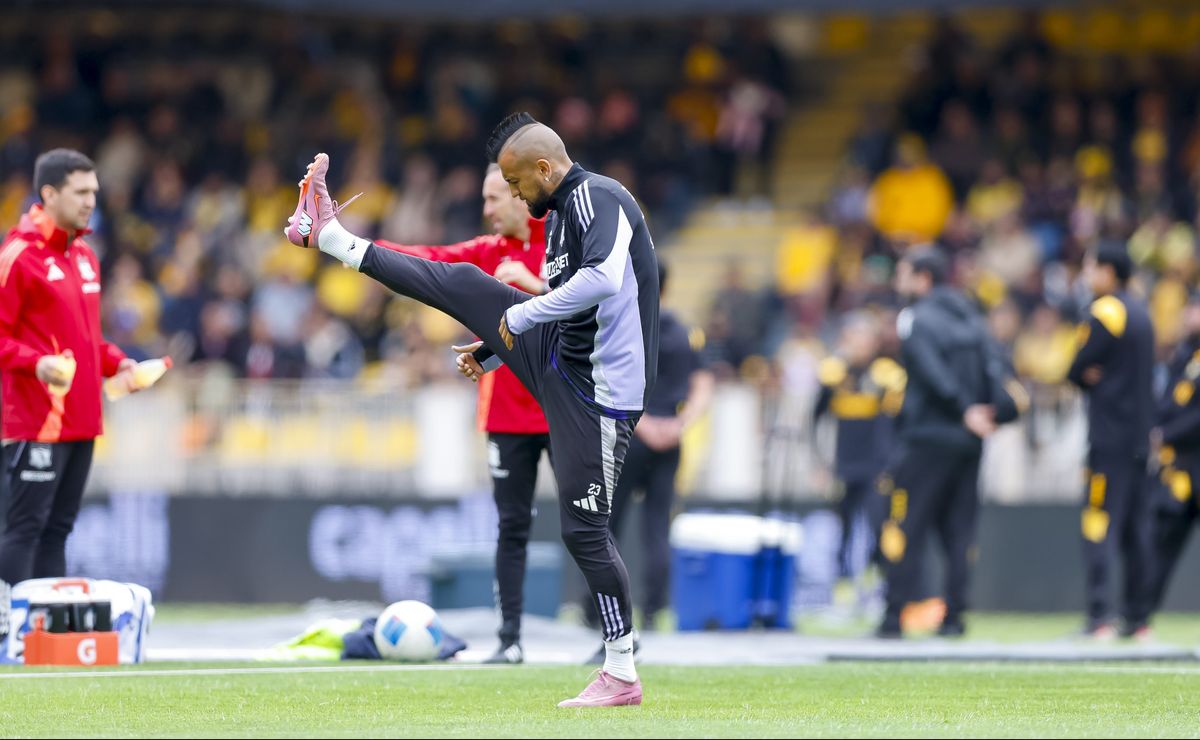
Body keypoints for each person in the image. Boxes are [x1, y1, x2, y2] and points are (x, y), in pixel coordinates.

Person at [284, 112, 658, 708]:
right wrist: (494, 349)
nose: (511, 195)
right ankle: (330, 235)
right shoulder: (561, 212)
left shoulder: (597, 197)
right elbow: (566, 306)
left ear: (544, 168)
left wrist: (520, 319)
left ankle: (621, 671)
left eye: (514, 184)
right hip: (562, 359)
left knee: (582, 531)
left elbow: (605, 280)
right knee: (461, 282)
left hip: (600, 394)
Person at [374, 165, 549, 665]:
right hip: (507, 417)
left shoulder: (561, 245)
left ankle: (614, 635)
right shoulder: (487, 253)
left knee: (586, 526)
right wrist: (356, 248)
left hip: (561, 406)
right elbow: (428, 259)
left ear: (521, 197)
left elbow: (591, 304)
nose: (488, 210)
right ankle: (510, 640)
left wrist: (534, 284)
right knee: (511, 527)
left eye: (495, 199)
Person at [0, 149, 139, 593]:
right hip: (35, 421)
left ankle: (42, 637)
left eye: (93, 192)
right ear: (49, 194)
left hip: (82, 420)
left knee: (58, 530)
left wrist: (120, 363)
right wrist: (35, 363)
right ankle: (9, 630)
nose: (90, 201)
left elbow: (86, 340)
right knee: (25, 529)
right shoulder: (18, 255)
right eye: (80, 192)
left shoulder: (84, 256)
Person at [877, 247, 1024, 639]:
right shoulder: (973, 319)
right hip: (969, 443)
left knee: (905, 525)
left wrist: (962, 409)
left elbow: (928, 369)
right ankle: (955, 617)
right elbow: (1000, 371)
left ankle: (893, 617)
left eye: (904, 272)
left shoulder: (915, 318)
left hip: (926, 439)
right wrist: (989, 413)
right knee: (959, 533)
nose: (898, 281)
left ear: (924, 278)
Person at [582, 260, 713, 652]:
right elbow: (703, 383)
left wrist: (643, 425)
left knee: (607, 525)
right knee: (657, 527)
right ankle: (656, 609)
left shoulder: (620, 325)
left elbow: (605, 381)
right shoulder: (683, 331)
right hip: (669, 439)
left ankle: (599, 611)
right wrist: (680, 425)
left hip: (628, 434)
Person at [1066, 243, 1156, 639]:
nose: (1086, 274)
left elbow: (1075, 368)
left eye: (1090, 266)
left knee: (1099, 523)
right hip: (1139, 438)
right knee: (1137, 530)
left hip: (1108, 438)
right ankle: (1138, 619)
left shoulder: (1106, 311)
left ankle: (1099, 616)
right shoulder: (1141, 311)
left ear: (1107, 271)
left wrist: (1088, 375)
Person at [813, 312, 904, 581]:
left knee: (879, 523)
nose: (858, 344)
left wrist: (892, 463)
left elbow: (896, 424)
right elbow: (815, 419)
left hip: (877, 465)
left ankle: (877, 581)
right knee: (843, 525)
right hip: (844, 463)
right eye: (853, 337)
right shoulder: (834, 374)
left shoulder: (887, 375)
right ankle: (841, 584)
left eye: (864, 337)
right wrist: (819, 462)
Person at [1146, 295, 1200, 618]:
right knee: (1161, 543)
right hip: (1181, 468)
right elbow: (1168, 404)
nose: (1188, 316)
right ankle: (1138, 615)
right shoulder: (1184, 357)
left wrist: (1165, 434)